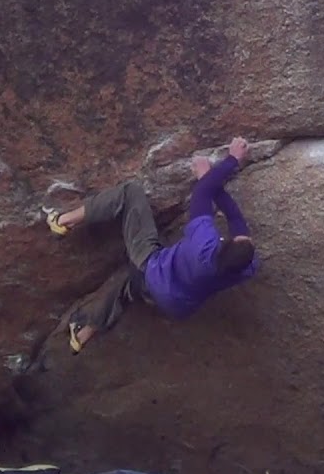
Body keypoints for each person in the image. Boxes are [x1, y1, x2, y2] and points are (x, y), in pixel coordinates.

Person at [44, 136, 258, 353]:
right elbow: (236, 220)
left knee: (131, 192)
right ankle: (83, 333)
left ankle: (61, 221)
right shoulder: (244, 270)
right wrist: (209, 181)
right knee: (130, 283)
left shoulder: (203, 245)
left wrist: (230, 161)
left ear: (223, 244)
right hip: (174, 305)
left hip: (155, 274)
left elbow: (203, 193)